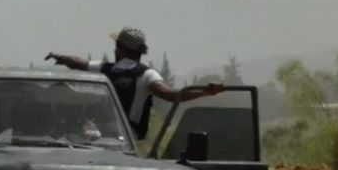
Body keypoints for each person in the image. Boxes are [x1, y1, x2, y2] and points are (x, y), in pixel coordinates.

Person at [45, 26, 224, 140]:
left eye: (117, 45)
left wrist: (60, 57)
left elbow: (78, 63)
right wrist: (205, 91)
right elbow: (171, 95)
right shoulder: (145, 74)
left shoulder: (109, 69)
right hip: (123, 138)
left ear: (121, 49)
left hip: (110, 135)